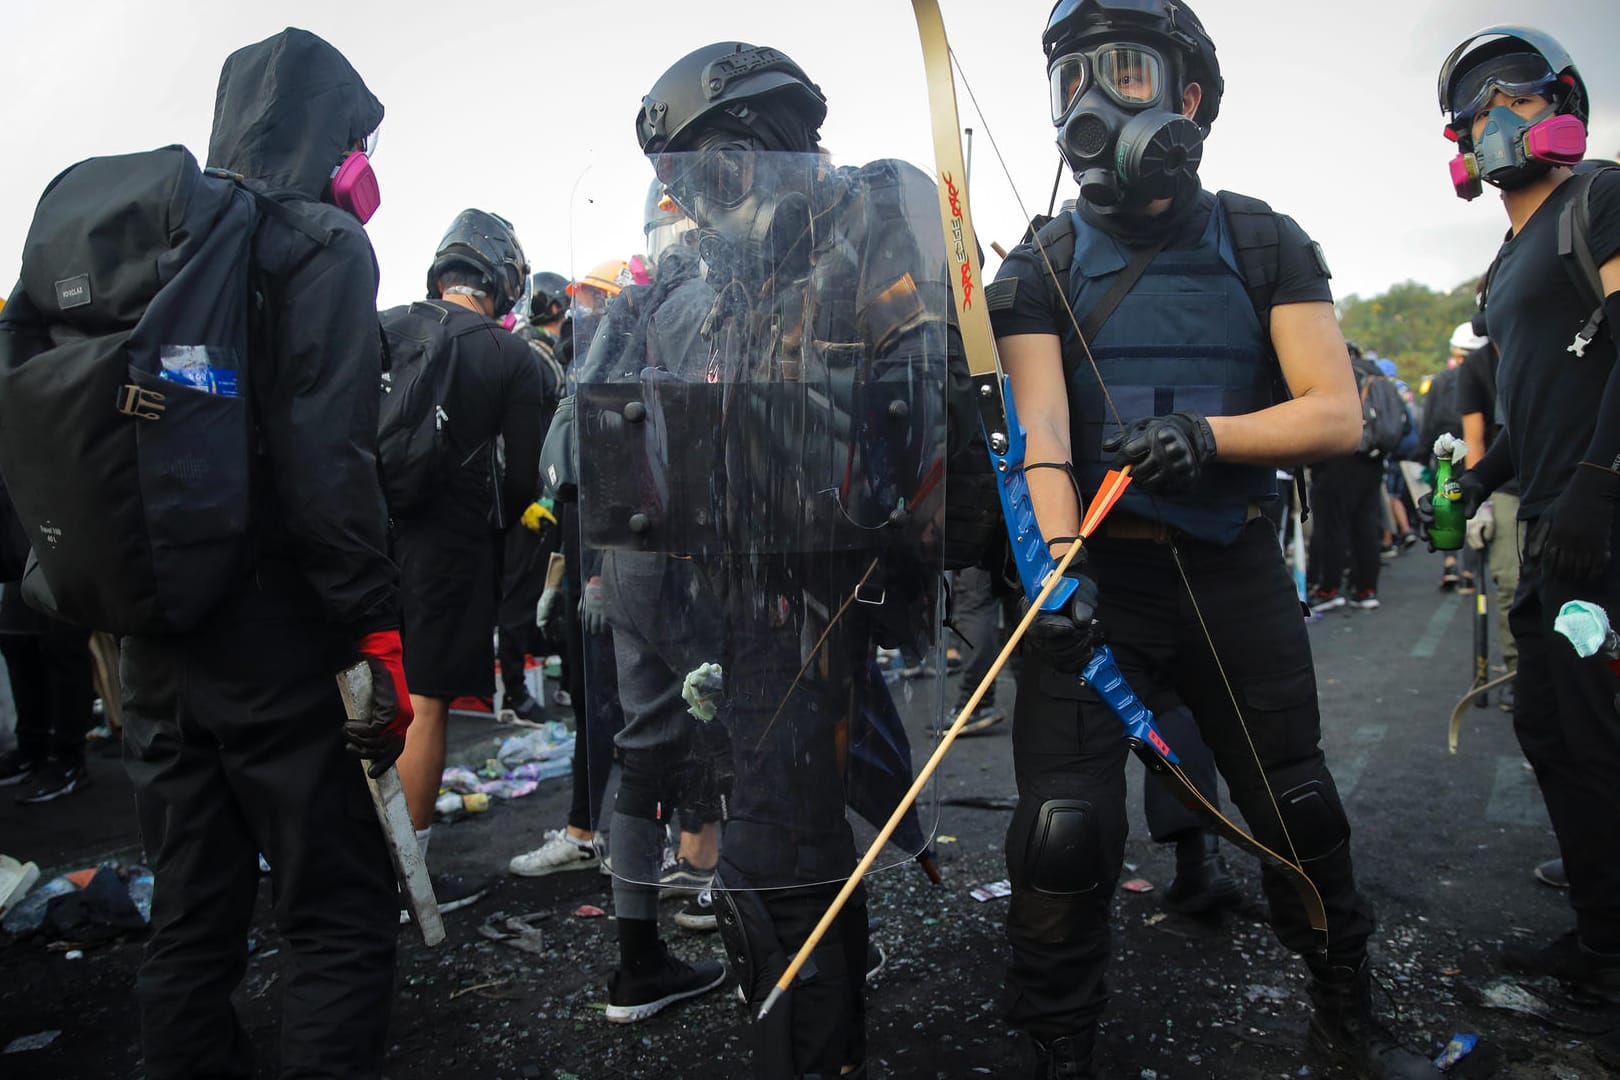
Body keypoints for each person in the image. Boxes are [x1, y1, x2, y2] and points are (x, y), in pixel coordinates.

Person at [988, 2, 1433, 1075]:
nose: (1094, 100)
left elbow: (1338, 410)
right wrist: (1055, 573)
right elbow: (1042, 429)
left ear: (1189, 96)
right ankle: (1059, 1051)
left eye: (1126, 72)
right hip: (1097, 580)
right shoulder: (1038, 262)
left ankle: (1348, 1023)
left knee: (1299, 808)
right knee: (1062, 834)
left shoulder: (1262, 237)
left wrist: (1210, 435)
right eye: (1074, 80)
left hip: (1230, 570)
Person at [632, 39, 995, 1077]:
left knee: (775, 869)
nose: (702, 207)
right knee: (781, 860)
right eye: (682, 187)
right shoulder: (728, 278)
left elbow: (924, 410)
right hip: (748, 602)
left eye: (717, 174)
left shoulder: (875, 218)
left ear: (771, 146)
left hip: (837, 591)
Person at [99, 29, 405, 1078]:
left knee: (191, 917)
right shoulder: (319, 243)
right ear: (333, 133)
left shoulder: (163, 240)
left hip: (155, 629)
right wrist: (371, 626)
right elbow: (330, 463)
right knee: (336, 912)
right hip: (273, 635)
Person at [1430, 25, 1620, 1009]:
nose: (1498, 114)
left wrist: (1598, 480)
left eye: (1520, 93)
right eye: (1476, 105)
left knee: (1596, 728)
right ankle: (1601, 907)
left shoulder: (1603, 198)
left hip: (1605, 526)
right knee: (1552, 726)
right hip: (1551, 526)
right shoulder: (1501, 268)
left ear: (1564, 105)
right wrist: (1476, 479)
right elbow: (1523, 410)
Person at [386, 209, 546, 896]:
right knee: (426, 706)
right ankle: (404, 879)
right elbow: (521, 480)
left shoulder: (385, 325)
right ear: (501, 279)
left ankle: (348, 865)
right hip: (448, 549)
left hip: (362, 536)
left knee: (360, 698)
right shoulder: (512, 356)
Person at [1307, 344, 1394, 611]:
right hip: (1373, 458)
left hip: (1340, 457)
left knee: (1332, 526)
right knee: (1366, 523)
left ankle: (1329, 588)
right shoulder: (1377, 374)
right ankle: (1366, 589)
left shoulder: (1337, 373)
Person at [1418, 329, 1472, 590]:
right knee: (1475, 505)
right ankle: (1472, 570)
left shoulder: (1441, 380)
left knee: (1447, 505)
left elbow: (1428, 421)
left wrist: (1423, 454)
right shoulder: (1491, 373)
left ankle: (1450, 561)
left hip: (1446, 452)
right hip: (1477, 451)